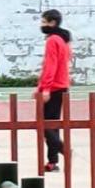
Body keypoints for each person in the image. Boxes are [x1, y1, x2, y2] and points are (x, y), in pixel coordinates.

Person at [33, 9, 72, 173]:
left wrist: (45, 88)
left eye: (44, 22)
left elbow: (51, 65)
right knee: (52, 124)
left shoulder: (52, 40)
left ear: (52, 23)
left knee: (45, 124)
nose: (42, 25)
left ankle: (63, 150)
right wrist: (40, 87)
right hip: (62, 85)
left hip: (55, 87)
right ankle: (52, 162)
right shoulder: (64, 39)